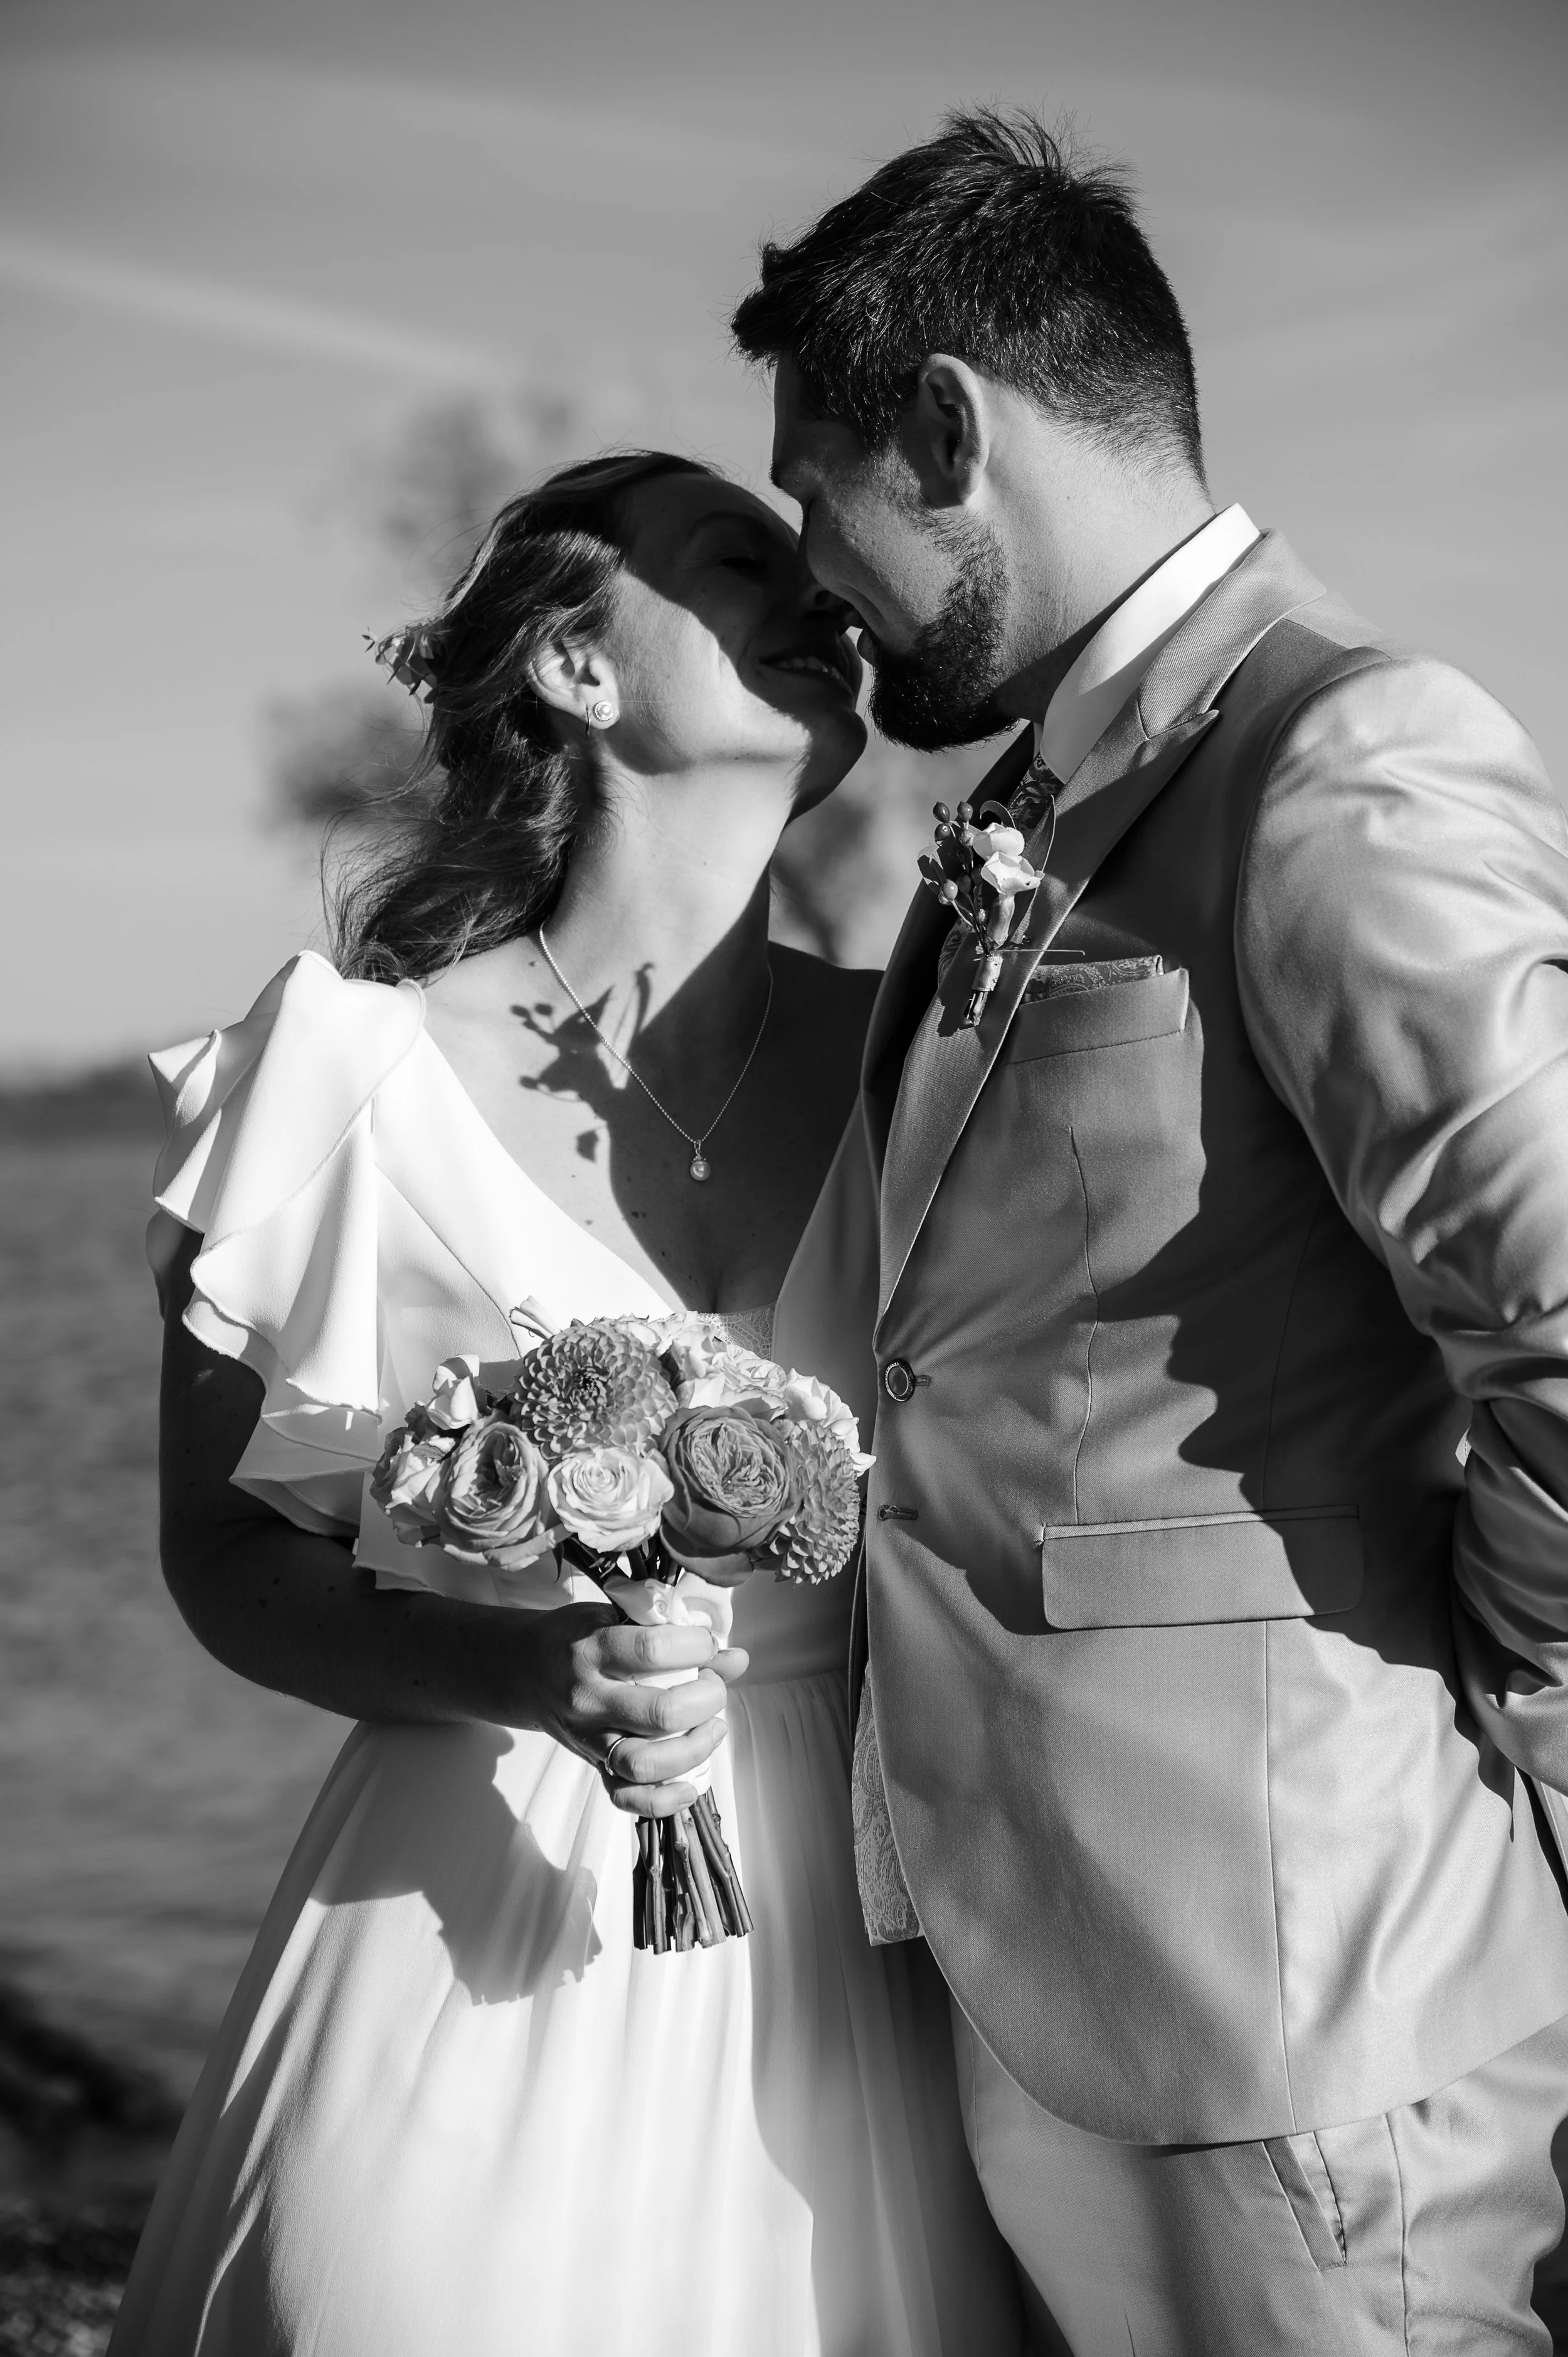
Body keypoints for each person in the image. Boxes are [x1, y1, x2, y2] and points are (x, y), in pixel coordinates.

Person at [732, 107, 1568, 2352]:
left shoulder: (1340, 755)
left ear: (942, 430)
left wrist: (1497, 1721)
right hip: (1047, 1950)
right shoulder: (1044, 798)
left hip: (1305, 1970)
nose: (819, 581)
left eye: (819, 502)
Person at [110, 452, 1023, 2357]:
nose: (820, 600)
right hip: (486, 1912)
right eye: (731, 563)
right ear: (574, 670)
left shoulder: (927, 1056)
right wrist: (529, 1673)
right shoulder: (347, 1076)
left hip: (874, 1938)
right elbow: (221, 1555)